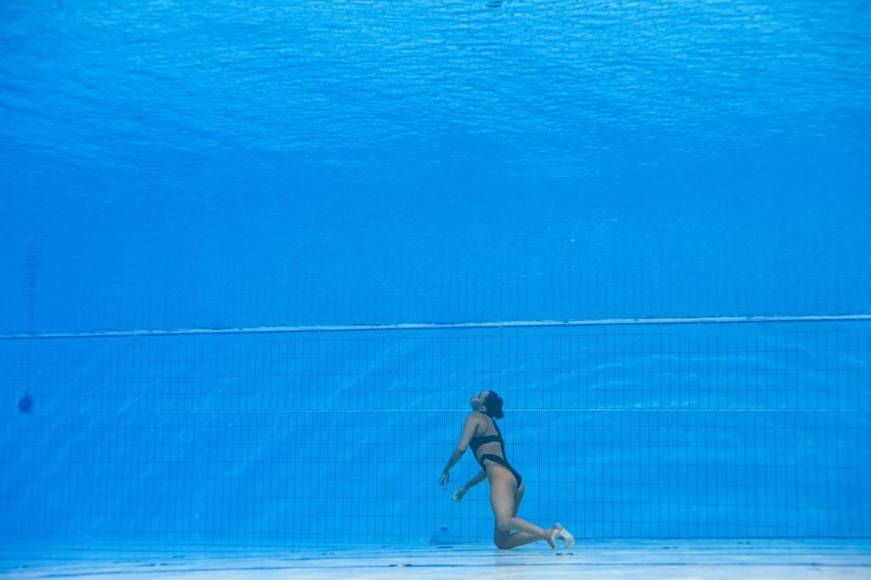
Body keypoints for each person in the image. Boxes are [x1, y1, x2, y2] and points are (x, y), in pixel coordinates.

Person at [439, 390, 575, 550]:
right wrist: (466, 487)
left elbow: (461, 448)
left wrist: (446, 469)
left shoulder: (474, 417)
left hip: (502, 477)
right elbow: (489, 467)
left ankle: (549, 534)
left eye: (479, 396)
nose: (474, 395)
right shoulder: (490, 424)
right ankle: (550, 532)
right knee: (502, 541)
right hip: (513, 479)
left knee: (504, 521)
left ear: (482, 408)